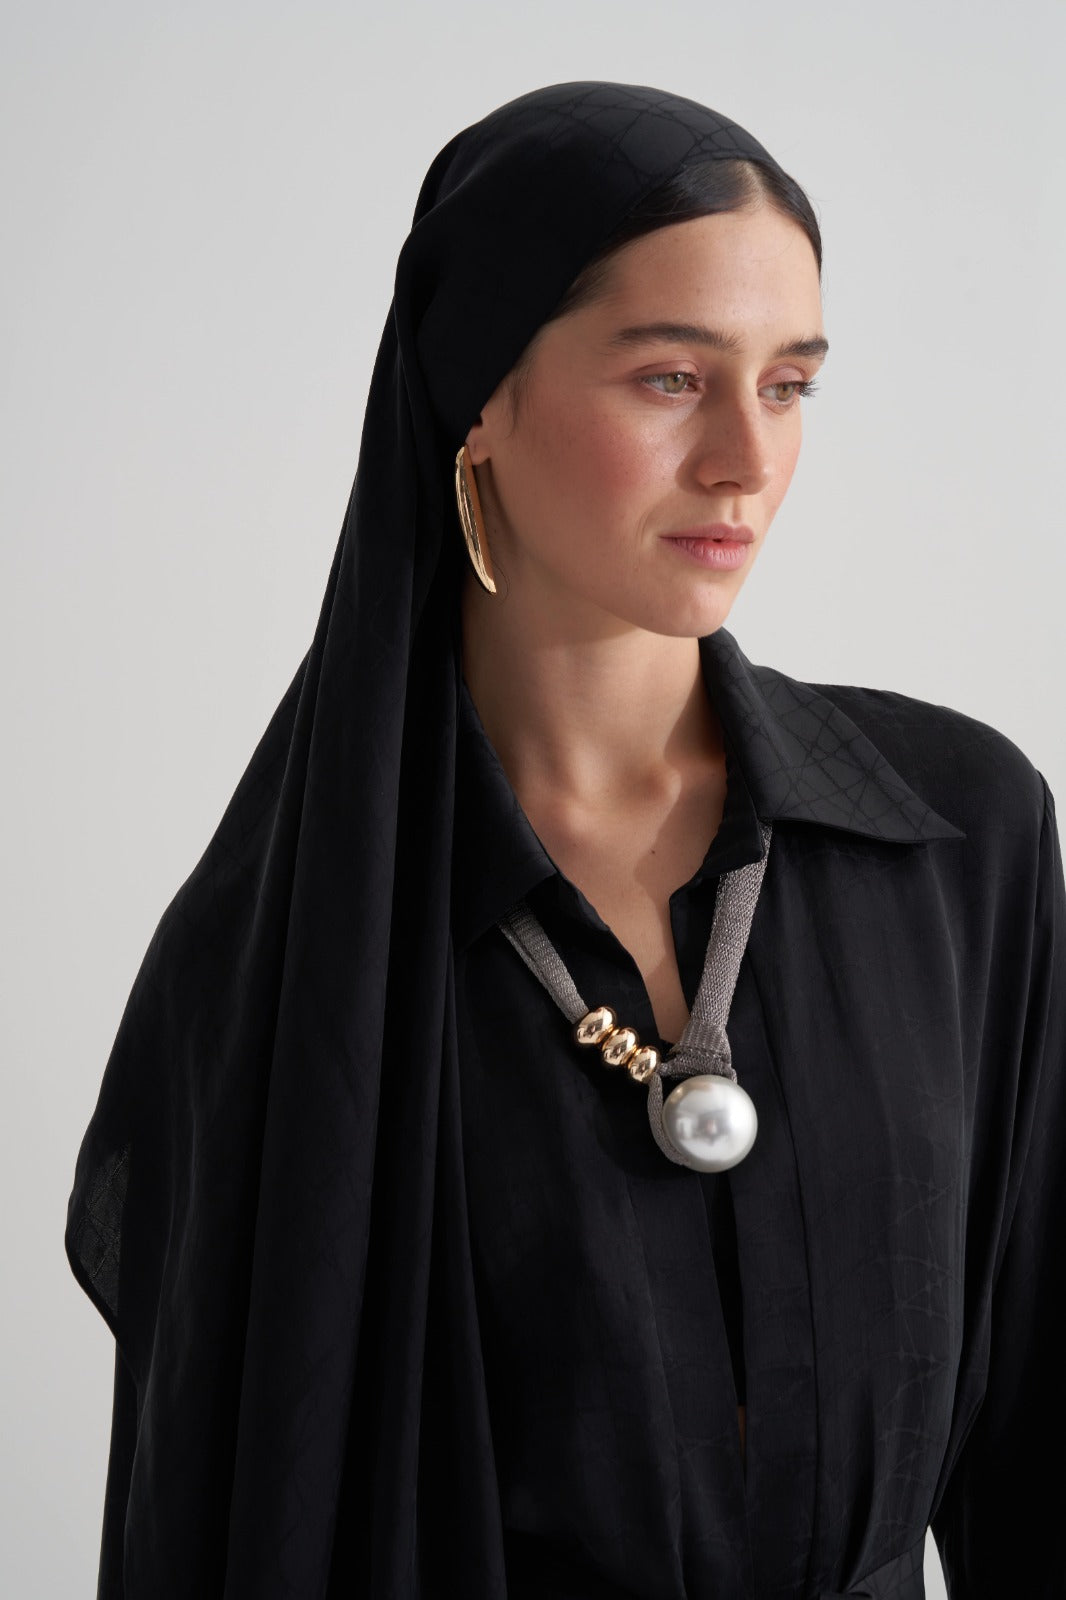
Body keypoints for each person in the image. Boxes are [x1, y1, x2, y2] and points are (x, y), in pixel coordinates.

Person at [65, 81, 1064, 1600]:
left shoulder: (958, 841)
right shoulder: (285, 954)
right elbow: (233, 1512)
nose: (745, 458)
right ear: (479, 393)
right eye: (671, 378)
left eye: (788, 384)